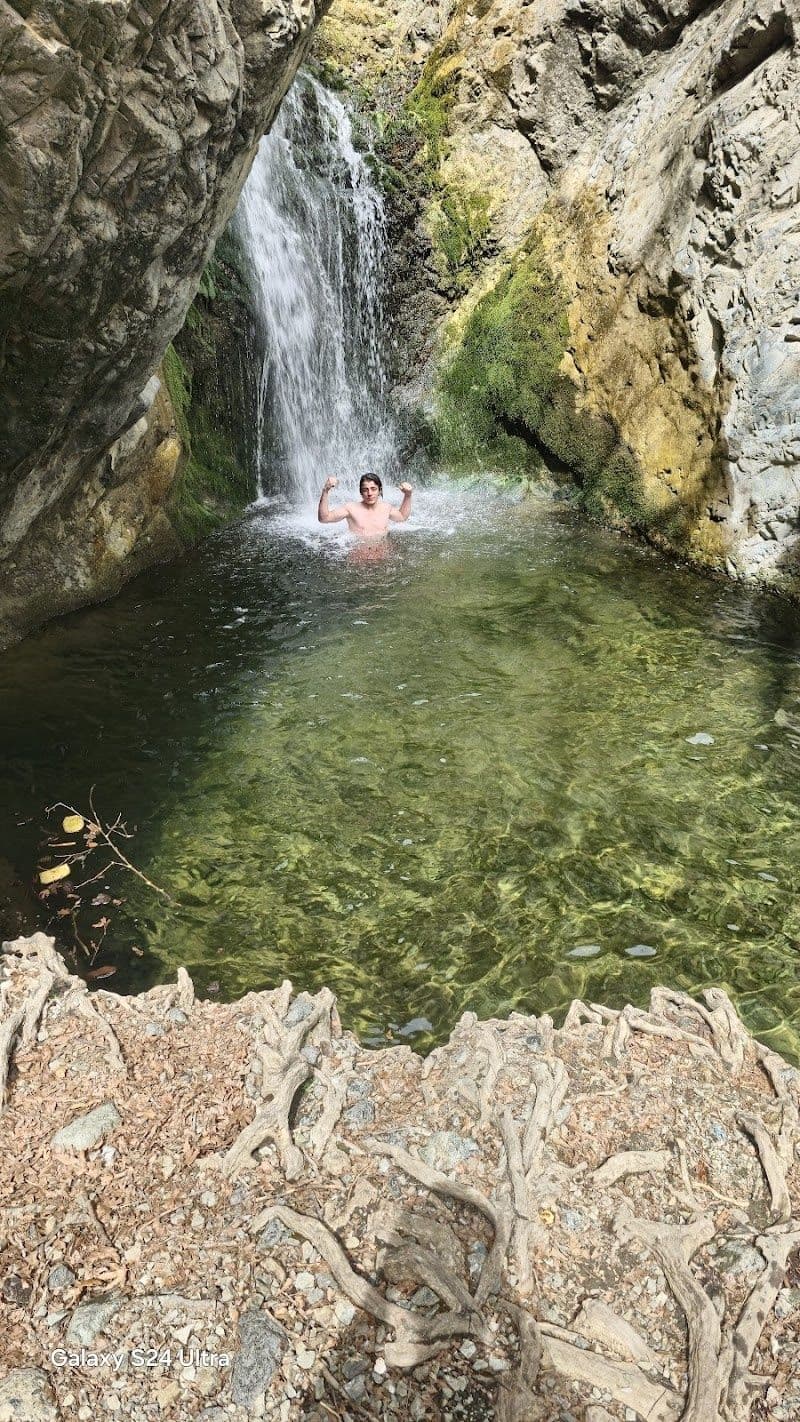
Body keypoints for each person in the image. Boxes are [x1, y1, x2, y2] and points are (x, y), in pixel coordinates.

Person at [317, 473, 412, 537]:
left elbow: (402, 517)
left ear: (380, 490)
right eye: (365, 489)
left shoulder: (386, 508)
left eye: (373, 489)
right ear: (360, 492)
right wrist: (325, 490)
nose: (369, 493)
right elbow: (324, 518)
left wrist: (408, 495)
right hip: (359, 559)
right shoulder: (350, 508)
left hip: (383, 557)